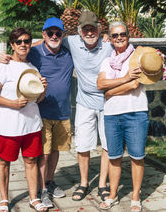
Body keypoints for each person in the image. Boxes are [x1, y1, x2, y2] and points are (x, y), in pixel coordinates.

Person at [0, 18, 74, 208]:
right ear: (44, 34)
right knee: (43, 155)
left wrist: (105, 36)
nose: (54, 36)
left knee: (55, 151)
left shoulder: (68, 53)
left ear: (63, 35)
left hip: (62, 112)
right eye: (50, 33)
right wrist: (1, 56)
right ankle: (41, 190)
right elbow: (21, 51)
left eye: (58, 33)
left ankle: (48, 182)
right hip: (41, 112)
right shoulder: (35, 53)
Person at [96, 22, 164, 212]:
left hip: (135, 113)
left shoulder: (139, 56)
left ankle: (135, 197)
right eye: (115, 35)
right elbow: (100, 84)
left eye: (122, 34)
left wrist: (110, 92)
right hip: (111, 116)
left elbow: (135, 86)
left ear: (128, 35)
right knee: (114, 157)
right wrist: (125, 78)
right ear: (109, 37)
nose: (119, 37)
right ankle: (113, 195)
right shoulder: (107, 61)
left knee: (137, 157)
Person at [0, 27, 48, 212]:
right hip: (8, 125)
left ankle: (34, 198)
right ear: (12, 45)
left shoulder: (33, 68)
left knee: (31, 161)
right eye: (19, 41)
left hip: (31, 124)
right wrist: (12, 104)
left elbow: (39, 99)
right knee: (4, 161)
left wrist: (43, 88)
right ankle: (4, 200)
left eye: (27, 41)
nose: (23, 44)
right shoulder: (3, 66)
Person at [62, 11, 113, 202]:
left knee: (107, 145)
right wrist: (11, 55)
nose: (89, 32)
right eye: (86, 29)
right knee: (82, 144)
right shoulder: (72, 42)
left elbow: (128, 48)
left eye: (93, 28)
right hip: (84, 102)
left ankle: (102, 184)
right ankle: (83, 183)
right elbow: (45, 44)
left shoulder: (108, 45)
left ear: (99, 29)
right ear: (79, 31)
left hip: (108, 102)